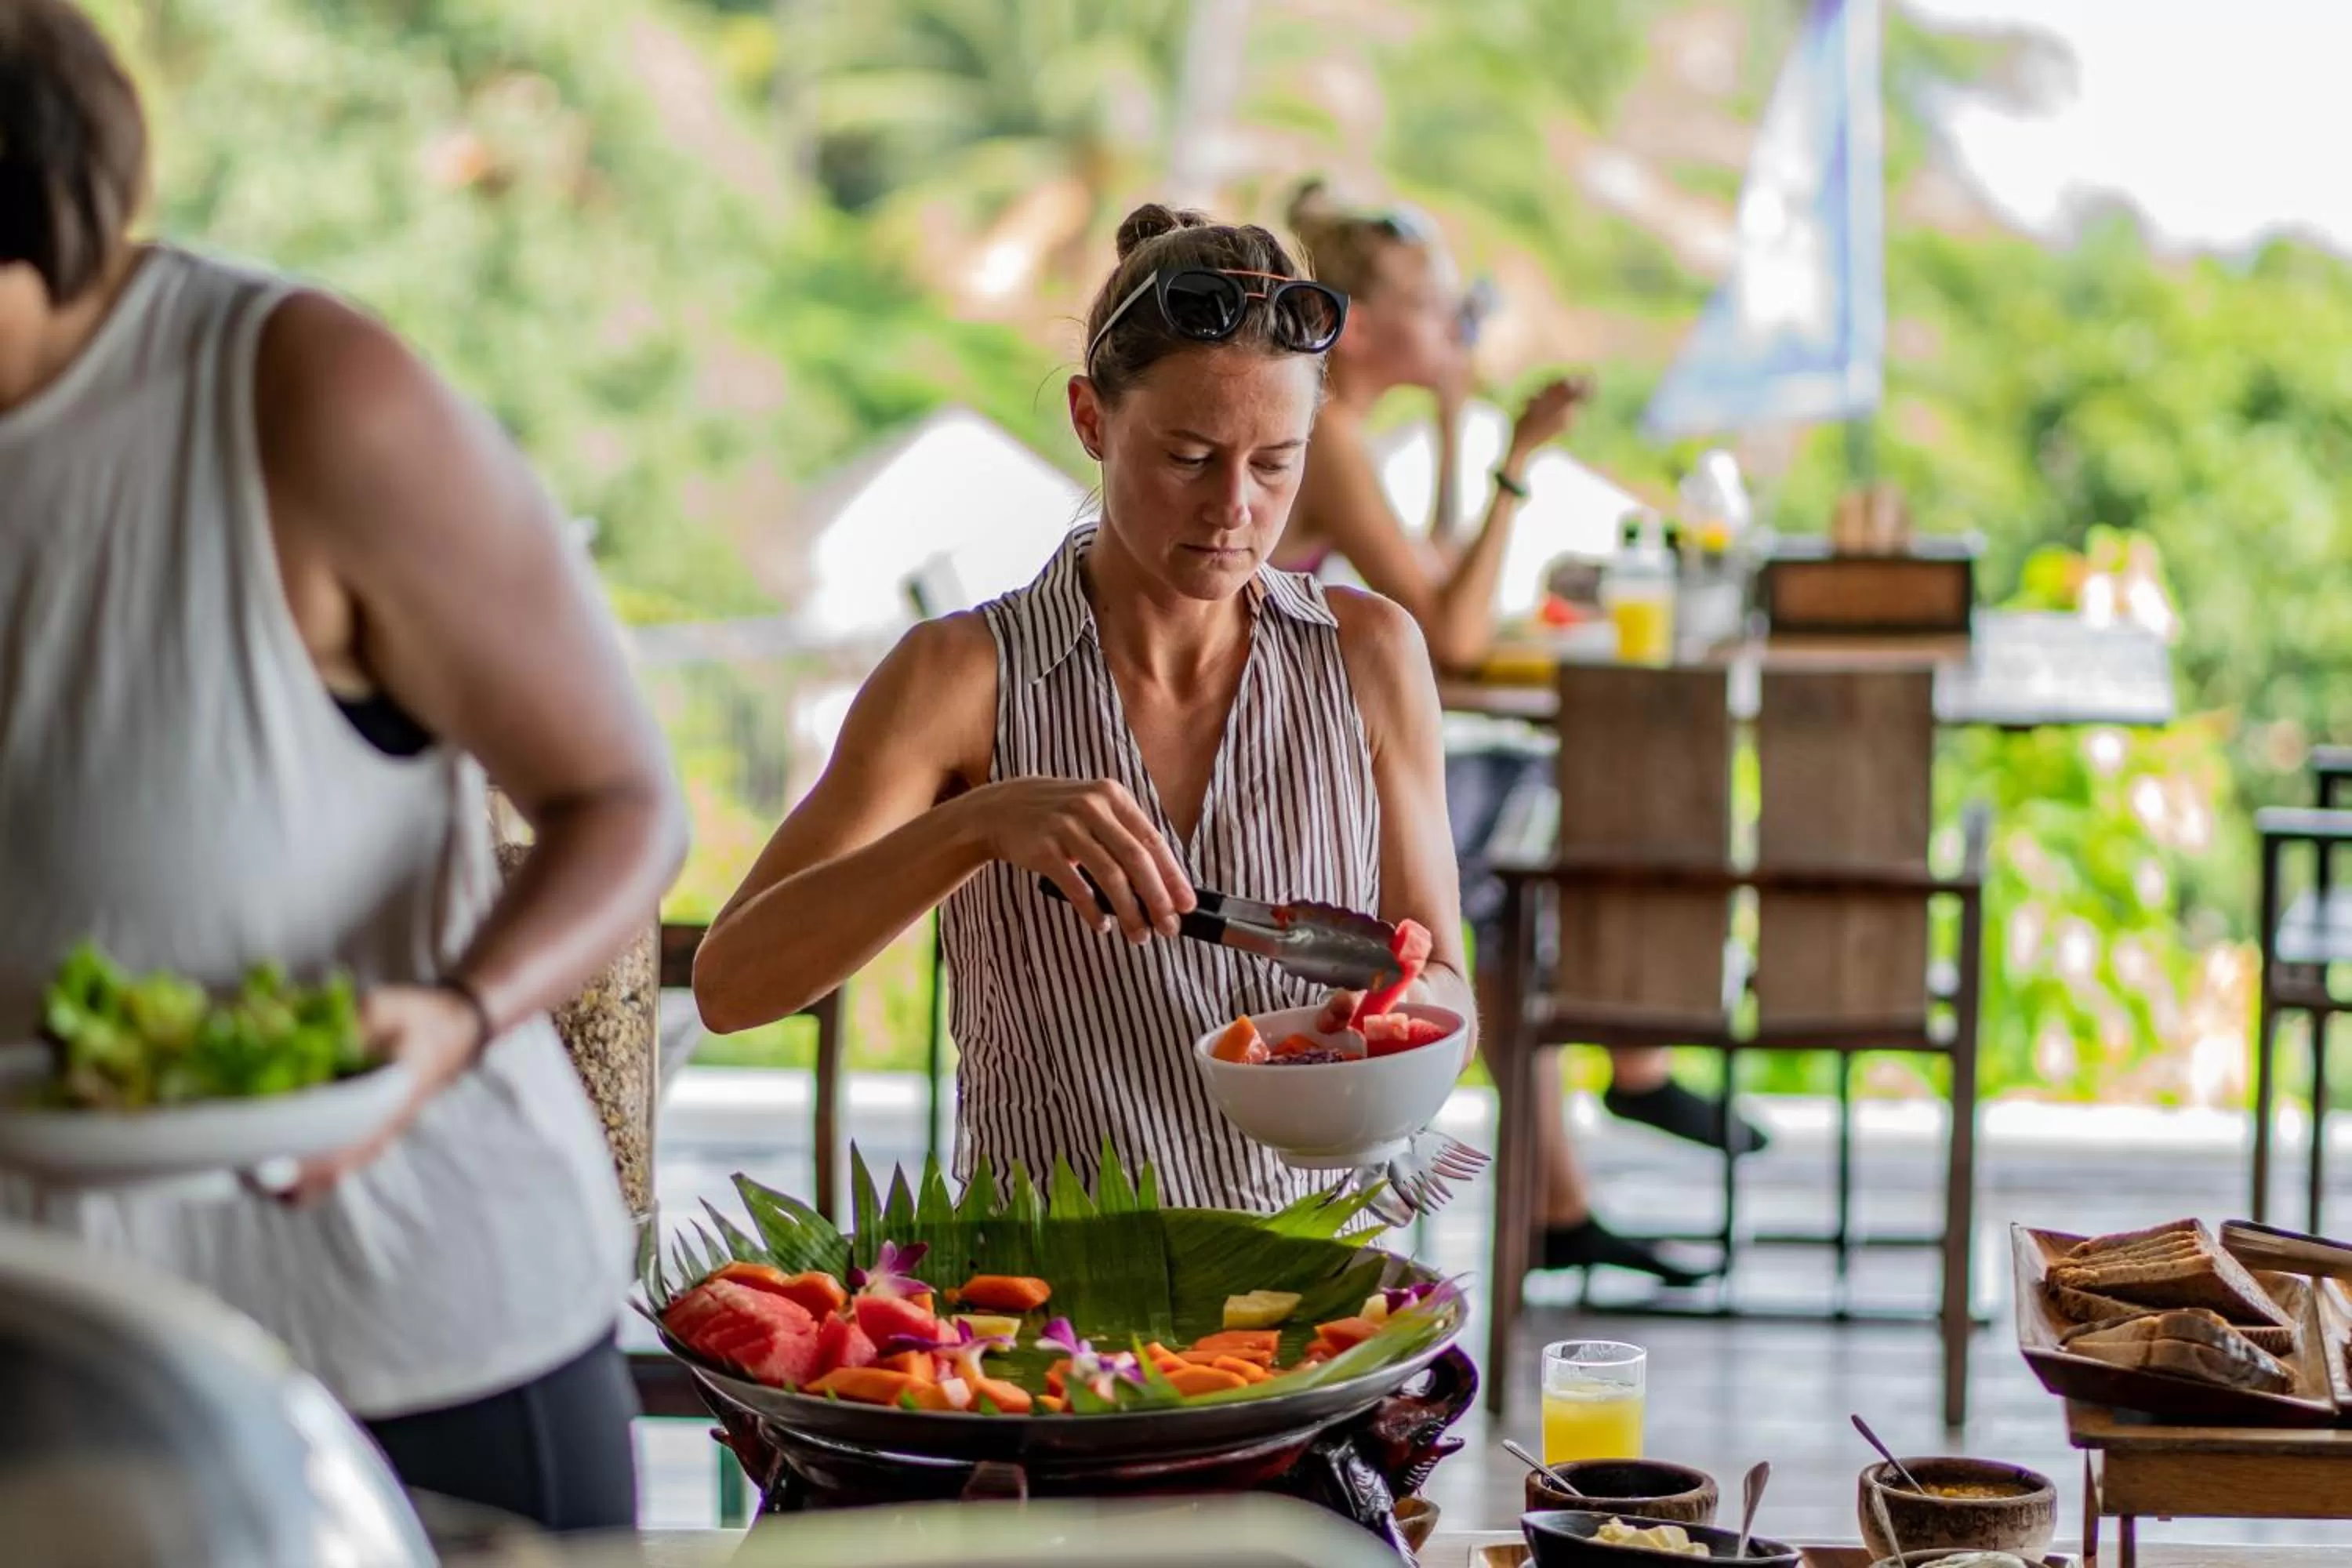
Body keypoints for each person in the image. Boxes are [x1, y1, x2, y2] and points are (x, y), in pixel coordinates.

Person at [0, 2, 685, 1532]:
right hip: (51, 1371)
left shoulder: (292, 396)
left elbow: (624, 803)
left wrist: (455, 1018)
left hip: (408, 1356)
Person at [695, 203, 1472, 1212]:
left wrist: (1388, 1027)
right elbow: (731, 985)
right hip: (1047, 1314)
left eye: (1277, 462)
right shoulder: (963, 675)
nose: (1234, 505)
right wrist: (972, 826)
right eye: (1188, 457)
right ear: (1091, 420)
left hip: (1313, 1296)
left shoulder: (1368, 655)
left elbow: (1442, 972)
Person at [1277, 181, 1766, 1284]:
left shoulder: (1341, 429)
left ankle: (1564, 1192)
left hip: (1319, 748)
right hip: (1293, 779)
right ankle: (1632, 1066)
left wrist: (1461, 423)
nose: (1456, 320)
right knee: (1540, 812)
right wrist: (1514, 459)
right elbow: (1450, 635)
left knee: (1511, 870)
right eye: (1431, 300)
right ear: (1355, 317)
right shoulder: (1327, 432)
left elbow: (1437, 581)